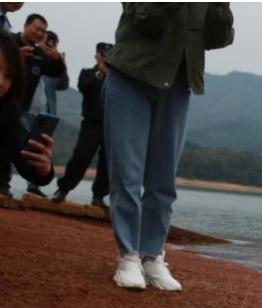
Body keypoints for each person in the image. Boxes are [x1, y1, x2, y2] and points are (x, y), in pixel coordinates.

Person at [103, 2, 234, 291]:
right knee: (128, 173)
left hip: (176, 82)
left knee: (163, 180)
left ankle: (152, 256)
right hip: (130, 76)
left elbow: (218, 38)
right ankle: (128, 256)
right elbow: (145, 18)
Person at [0, 12, 64, 197]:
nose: (1, 82)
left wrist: (43, 168)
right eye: (37, 28)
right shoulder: (8, 42)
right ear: (26, 25)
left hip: (22, 108)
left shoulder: (7, 113)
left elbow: (29, 167)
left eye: (9, 75)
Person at [52, 42, 111, 208]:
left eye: (108, 55)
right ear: (97, 55)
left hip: (112, 125)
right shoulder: (87, 73)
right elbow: (83, 87)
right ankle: (63, 189)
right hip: (91, 123)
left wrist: (110, 75)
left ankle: (98, 196)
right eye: (103, 54)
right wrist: (99, 73)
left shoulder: (116, 78)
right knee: (81, 156)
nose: (105, 57)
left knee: (107, 162)